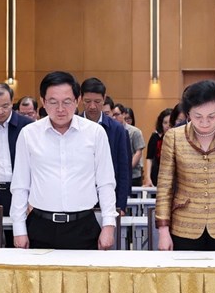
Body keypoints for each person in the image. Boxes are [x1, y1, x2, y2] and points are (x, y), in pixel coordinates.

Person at [10, 71, 118, 250]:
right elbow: (20, 185)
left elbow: (106, 183)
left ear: (77, 100)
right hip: (40, 226)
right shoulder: (29, 134)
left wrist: (108, 225)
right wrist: (19, 229)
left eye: (67, 102)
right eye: (53, 102)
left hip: (83, 226)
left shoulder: (95, 133)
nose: (60, 109)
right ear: (43, 101)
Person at [155, 80, 215, 251]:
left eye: (211, 116)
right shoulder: (173, 137)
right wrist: (163, 231)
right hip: (184, 225)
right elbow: (164, 186)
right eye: (198, 116)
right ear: (188, 113)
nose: (205, 122)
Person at [0, 83, 33, 246]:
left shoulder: (27, 126)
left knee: (18, 238)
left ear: (12, 102)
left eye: (5, 106)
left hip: (18, 190)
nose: (0, 111)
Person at [80, 77, 131, 215]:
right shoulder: (72, 127)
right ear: (80, 99)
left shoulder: (117, 129)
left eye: (97, 101)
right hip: (79, 200)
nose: (92, 106)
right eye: (87, 101)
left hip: (109, 198)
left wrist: (121, 205)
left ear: (104, 99)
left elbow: (124, 169)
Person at [113, 103, 146, 187]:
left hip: (133, 175)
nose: (114, 118)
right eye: (112, 115)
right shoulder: (111, 131)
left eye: (117, 114)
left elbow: (138, 152)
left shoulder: (135, 131)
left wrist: (127, 169)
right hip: (115, 175)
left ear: (123, 114)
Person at [143, 108, 172, 187]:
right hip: (156, 174)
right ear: (161, 123)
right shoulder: (155, 137)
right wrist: (148, 177)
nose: (168, 126)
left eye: (170, 123)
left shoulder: (178, 138)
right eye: (165, 123)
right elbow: (149, 158)